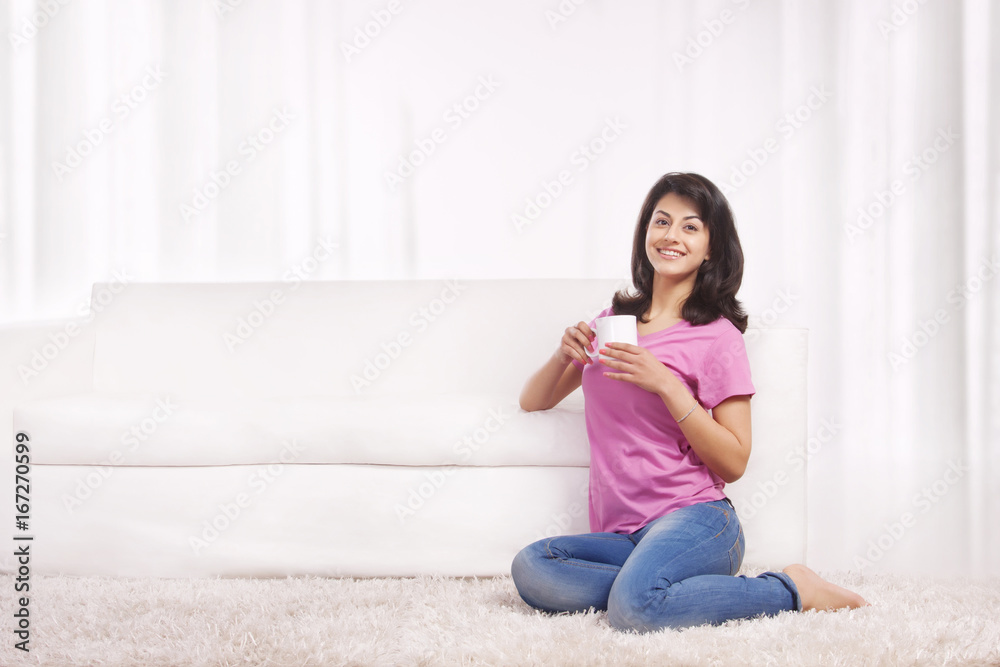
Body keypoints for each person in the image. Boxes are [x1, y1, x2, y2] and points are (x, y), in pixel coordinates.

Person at [510, 172, 867, 633]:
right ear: (645, 234)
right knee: (534, 566)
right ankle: (660, 588)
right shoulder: (613, 323)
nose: (670, 236)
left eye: (690, 226)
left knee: (634, 611)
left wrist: (668, 385)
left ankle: (791, 588)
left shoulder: (718, 338)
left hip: (697, 521)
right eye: (661, 222)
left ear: (711, 248)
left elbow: (734, 460)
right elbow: (533, 401)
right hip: (623, 536)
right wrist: (563, 353)